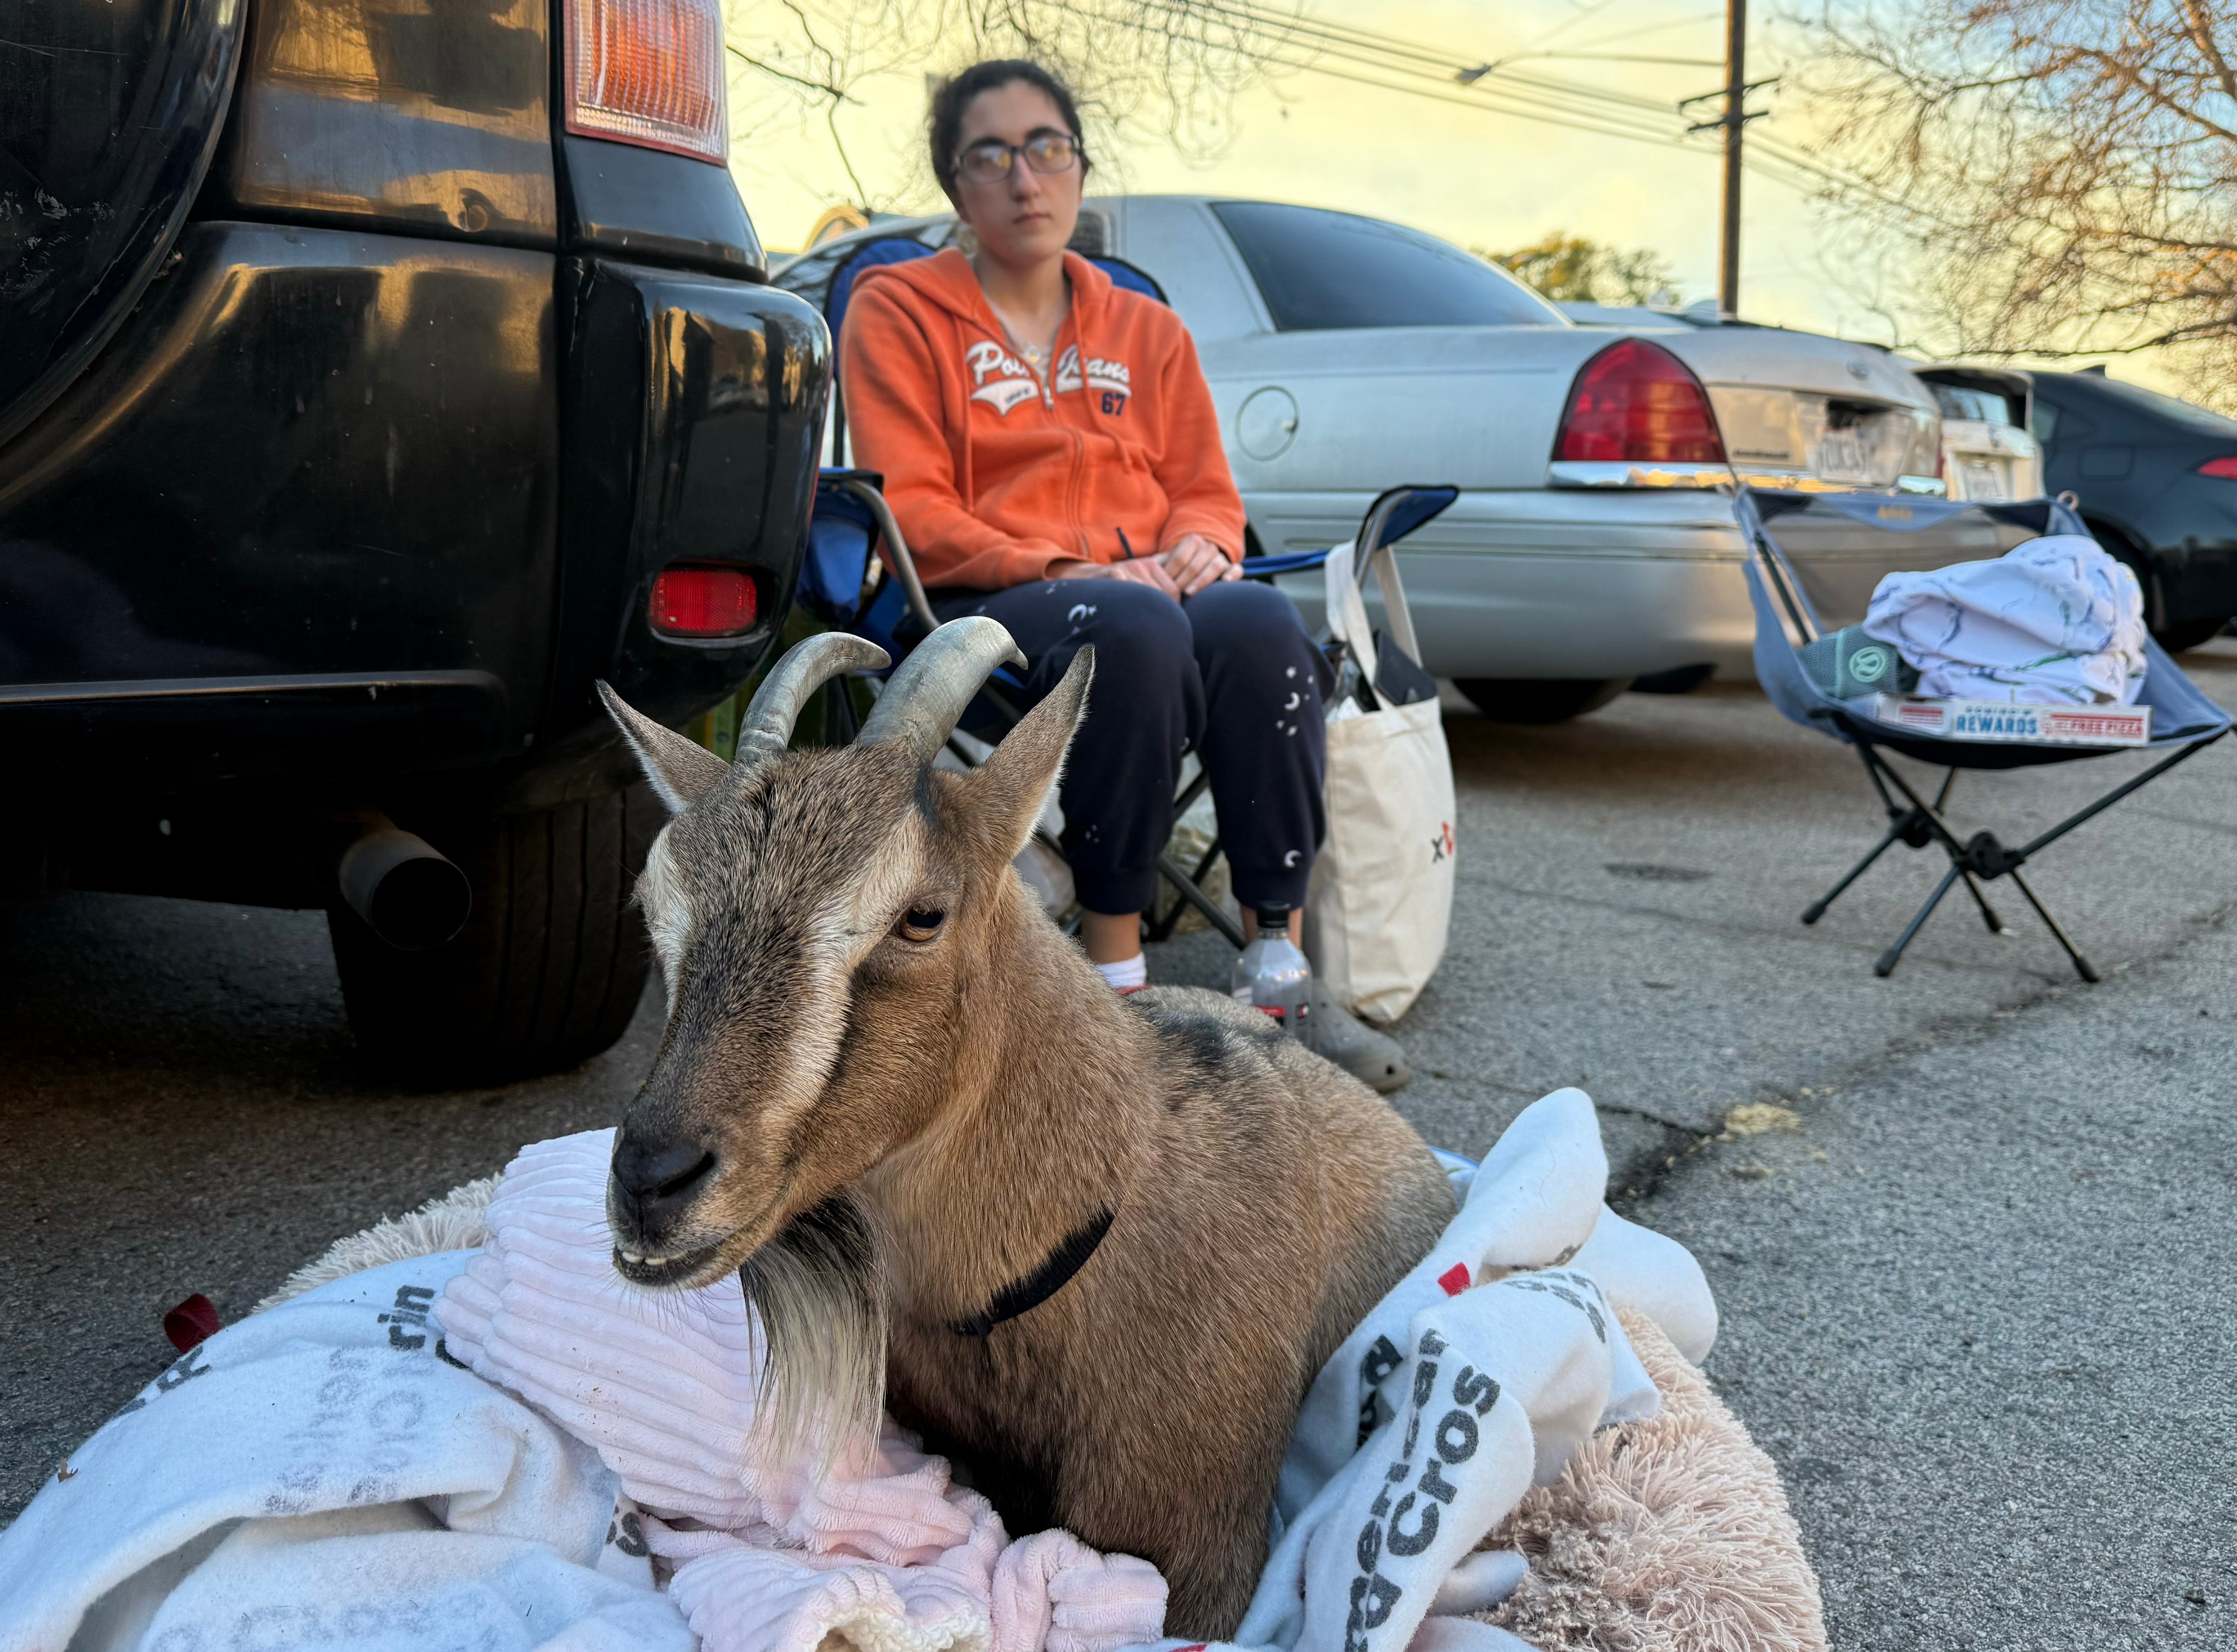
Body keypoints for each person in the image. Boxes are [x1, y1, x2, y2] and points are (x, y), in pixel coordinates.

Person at [838, 59, 1405, 1089]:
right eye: (992, 156)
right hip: (987, 600)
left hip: (1148, 590)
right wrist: (1087, 566)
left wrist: (1201, 545)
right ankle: (1114, 980)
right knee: (1133, 627)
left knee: (1257, 624)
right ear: (955, 186)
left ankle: (1276, 961)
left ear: (1079, 169)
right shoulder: (898, 309)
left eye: (1047, 148)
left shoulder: (1146, 328)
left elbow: (1203, 489)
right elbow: (915, 514)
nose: (1025, 179)